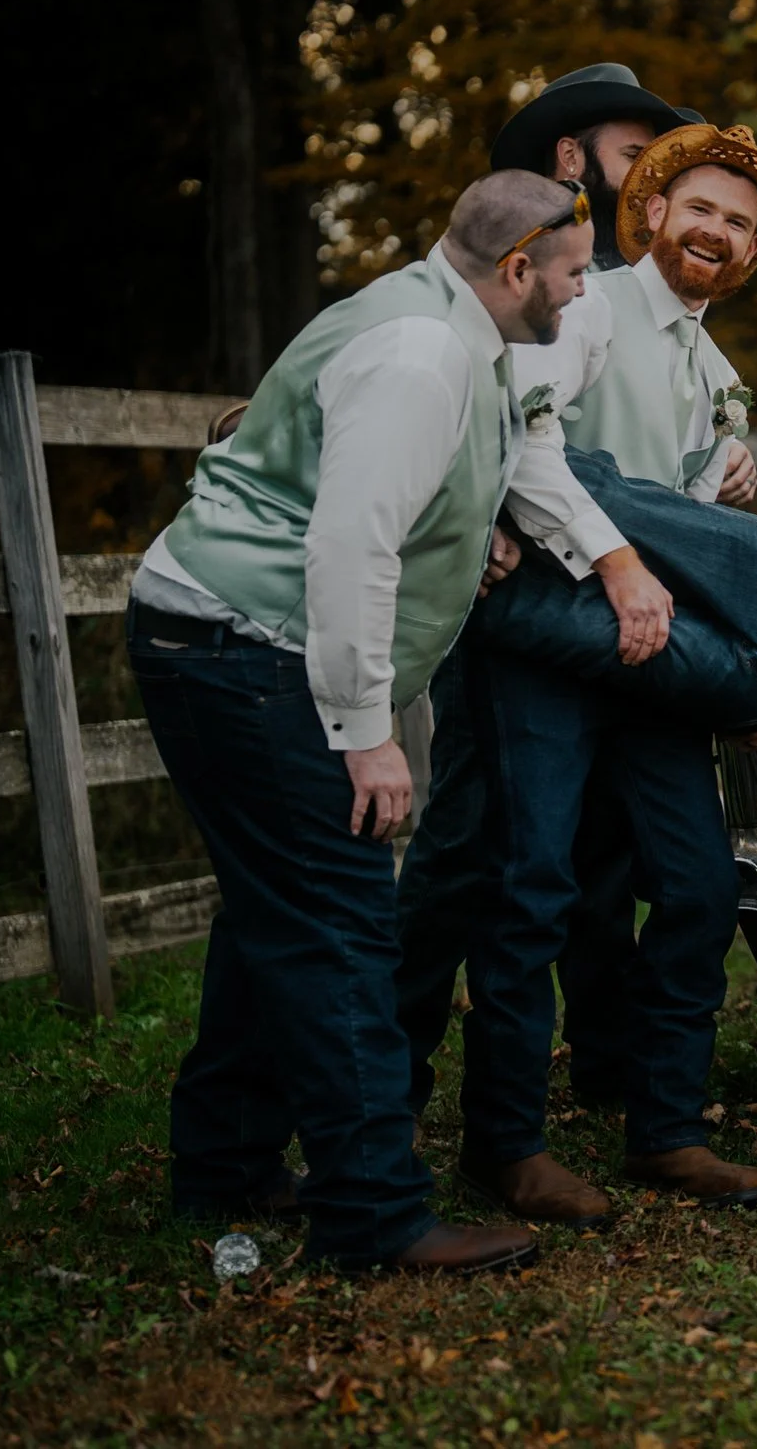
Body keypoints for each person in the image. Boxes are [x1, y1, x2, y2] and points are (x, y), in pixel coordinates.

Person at [128, 169, 606, 1272]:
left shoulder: (439, 317)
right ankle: (377, 1213)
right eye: (574, 273)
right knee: (341, 918)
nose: (583, 294)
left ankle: (227, 1164)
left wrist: (474, 532)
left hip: (220, 636)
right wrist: (365, 730)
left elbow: (392, 488)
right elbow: (348, 543)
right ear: (518, 266)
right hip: (247, 646)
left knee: (273, 910)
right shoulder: (421, 353)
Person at [395, 117, 757, 1223]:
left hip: (650, 654)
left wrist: (721, 484)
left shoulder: (715, 367)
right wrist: (623, 560)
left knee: (699, 880)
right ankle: (504, 1145)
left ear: (754, 252)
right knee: (530, 886)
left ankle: (665, 1125)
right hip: (542, 636)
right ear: (654, 211)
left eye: (742, 221)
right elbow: (523, 440)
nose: (719, 231)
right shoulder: (593, 305)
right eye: (703, 207)